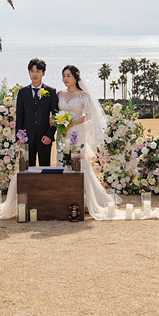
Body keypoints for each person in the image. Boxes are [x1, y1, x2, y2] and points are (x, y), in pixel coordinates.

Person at [56, 65, 125, 220]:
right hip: (62, 133)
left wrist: (72, 124)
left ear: (75, 77)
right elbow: (55, 112)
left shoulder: (83, 95)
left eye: (68, 75)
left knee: (78, 163)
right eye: (63, 75)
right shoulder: (59, 94)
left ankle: (86, 199)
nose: (65, 78)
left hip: (76, 132)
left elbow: (89, 115)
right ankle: (65, 197)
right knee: (62, 161)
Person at [14, 58, 59, 167]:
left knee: (45, 169)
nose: (34, 74)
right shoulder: (22, 92)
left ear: (43, 73)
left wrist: (49, 135)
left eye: (38, 71)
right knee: (27, 170)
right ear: (29, 73)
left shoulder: (51, 92)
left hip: (44, 138)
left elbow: (55, 116)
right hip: (26, 139)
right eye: (32, 71)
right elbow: (19, 116)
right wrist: (19, 137)